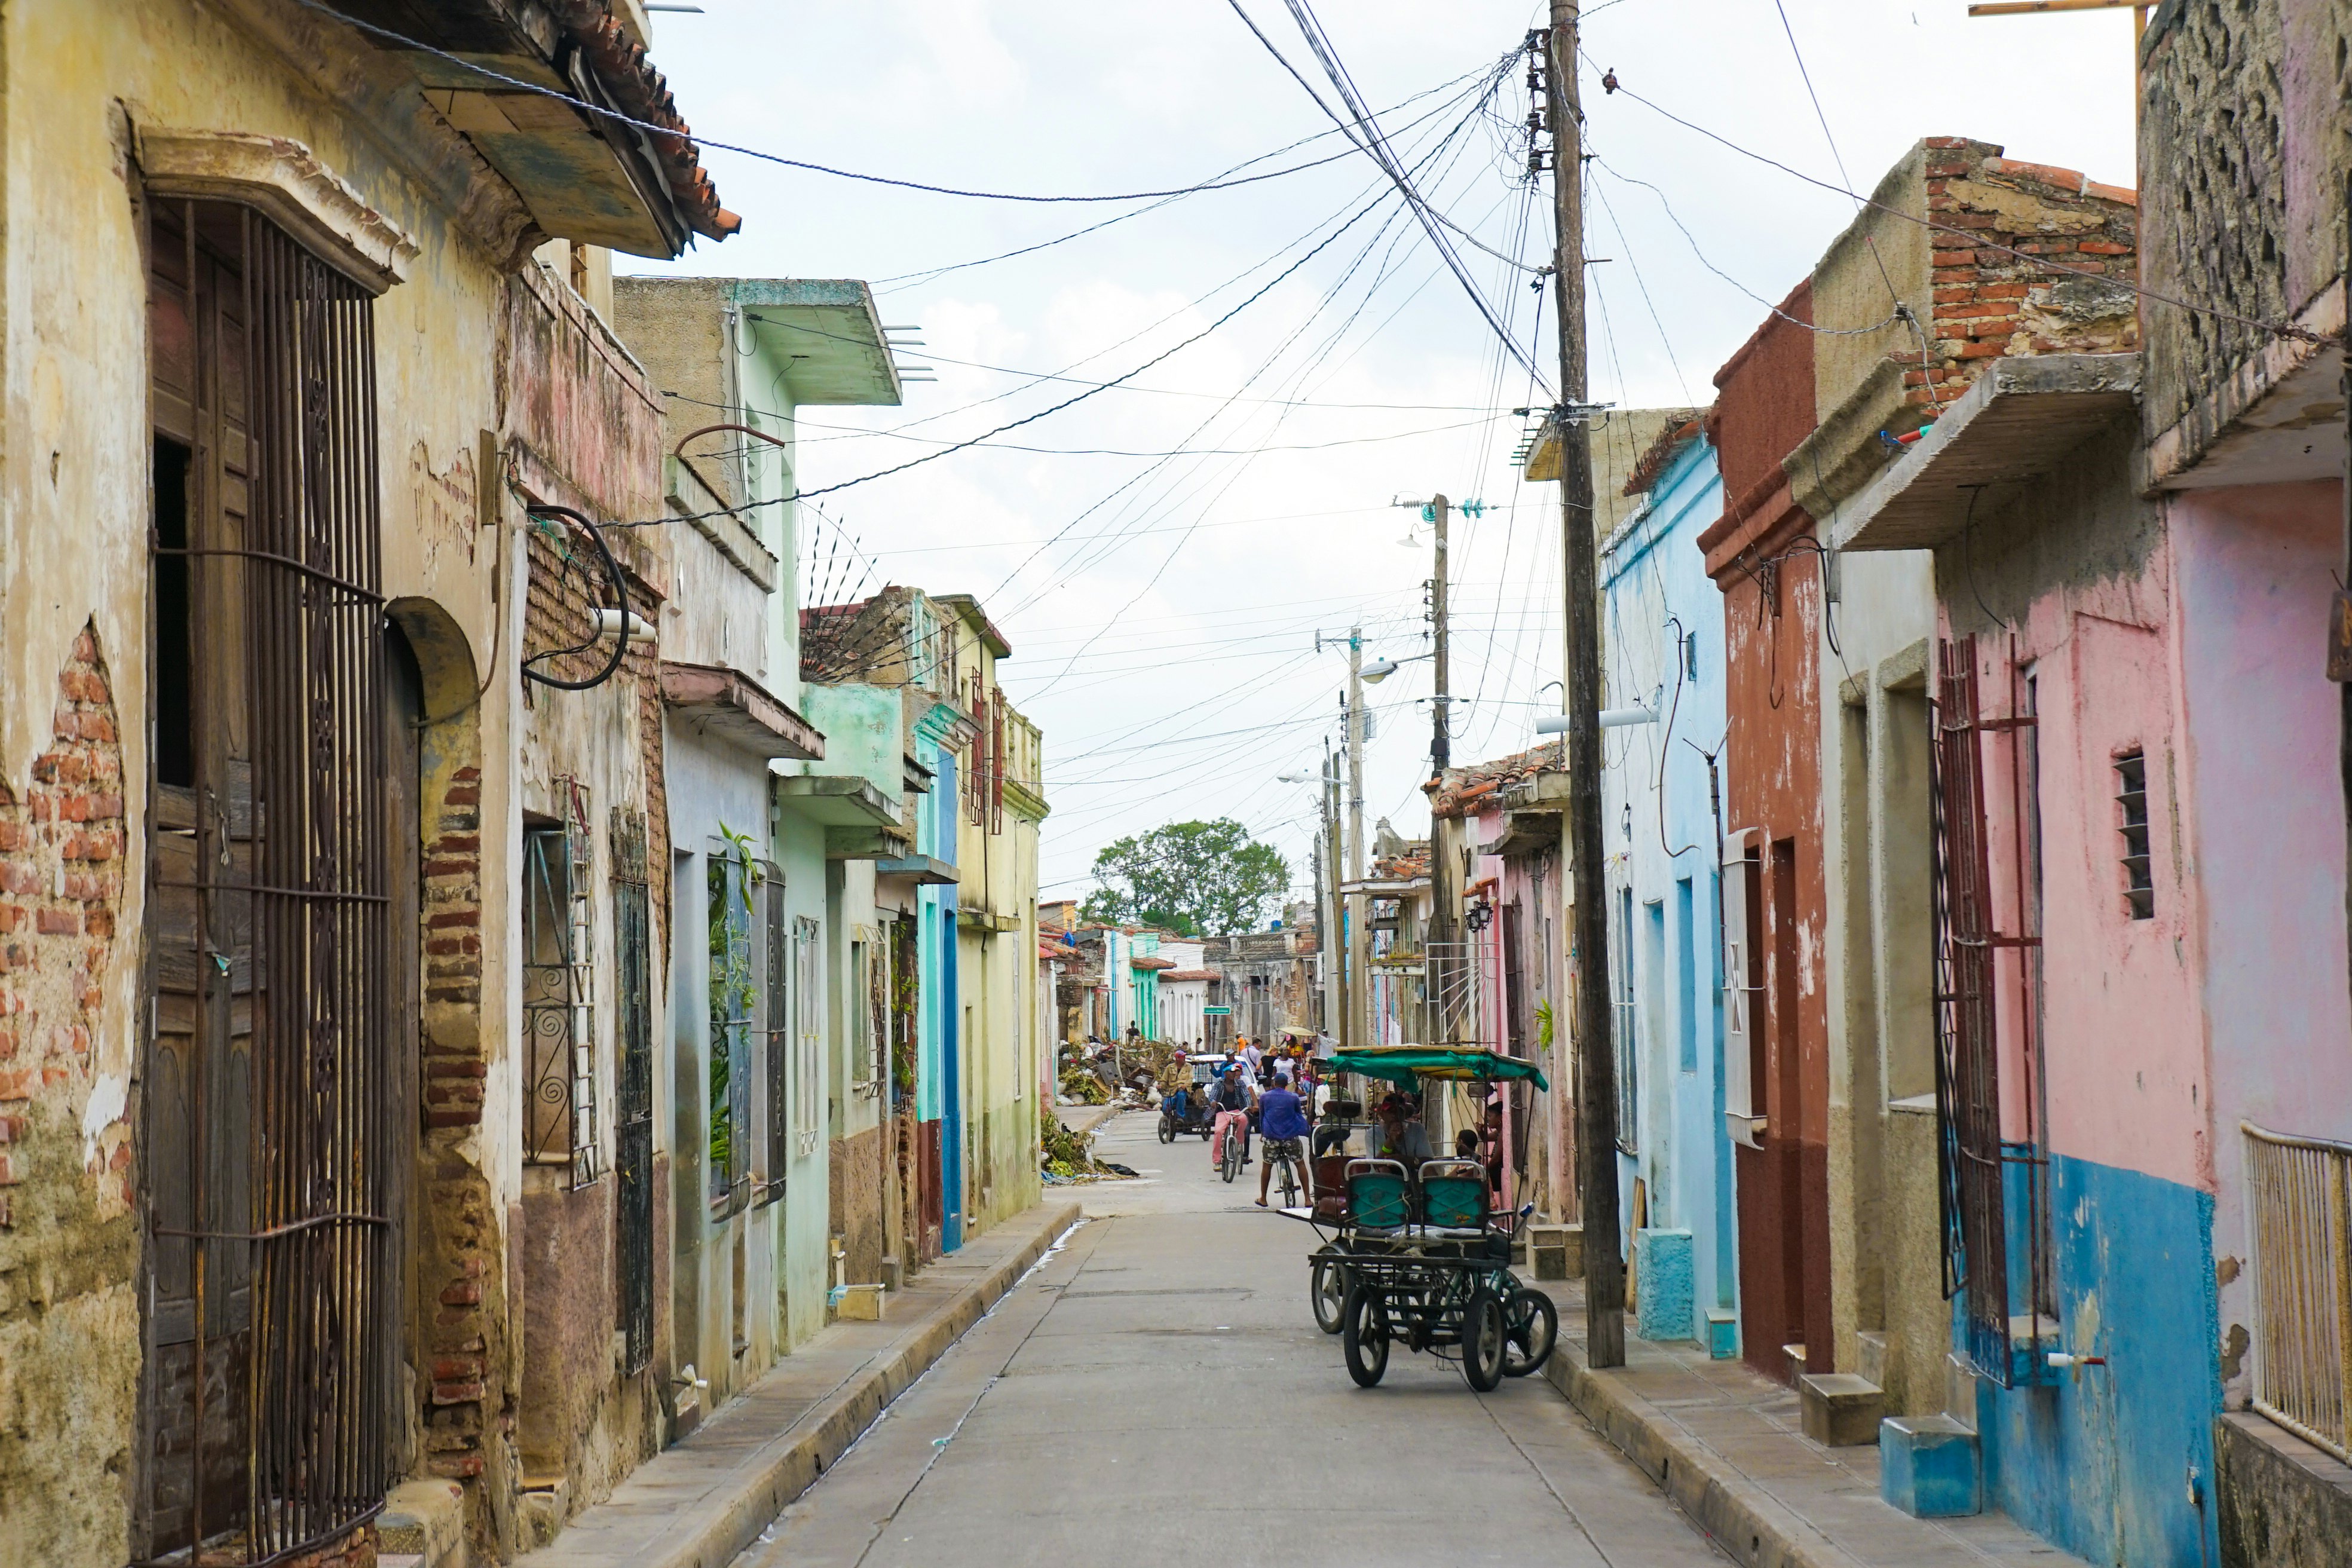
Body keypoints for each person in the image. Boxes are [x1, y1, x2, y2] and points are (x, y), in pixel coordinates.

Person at [1255, 1070, 1311, 1208]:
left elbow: (1262, 1117)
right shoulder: (1293, 1098)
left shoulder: (1265, 1097)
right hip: (1290, 1137)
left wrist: (1263, 1134)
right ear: (1287, 1085)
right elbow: (1298, 1115)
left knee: (1267, 1165)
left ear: (1274, 1083)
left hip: (1271, 1137)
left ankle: (1263, 1198)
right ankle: (1307, 1199)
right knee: (1300, 1163)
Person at [1368, 1092, 1434, 1168]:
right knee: (1383, 1169)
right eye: (1390, 1111)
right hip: (1384, 1177)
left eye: (1399, 1111)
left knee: (1428, 1169)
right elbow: (1376, 1165)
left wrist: (1406, 1160)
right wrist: (1391, 1141)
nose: (1395, 1115)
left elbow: (1428, 1161)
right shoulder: (1373, 1133)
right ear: (1382, 1114)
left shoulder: (1417, 1129)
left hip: (1411, 1175)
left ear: (1405, 1113)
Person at [1209, 1062, 1254, 1172]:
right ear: (1225, 1073)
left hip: (1237, 1111)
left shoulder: (1240, 1083)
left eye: (1235, 1072)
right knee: (1218, 1132)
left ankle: (1238, 1140)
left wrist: (1249, 1106)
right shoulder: (1219, 1084)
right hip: (1223, 1112)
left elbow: (1246, 1095)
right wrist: (1213, 1101)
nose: (1234, 1074)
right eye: (1231, 1072)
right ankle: (1217, 1161)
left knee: (1244, 1119)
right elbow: (1212, 1094)